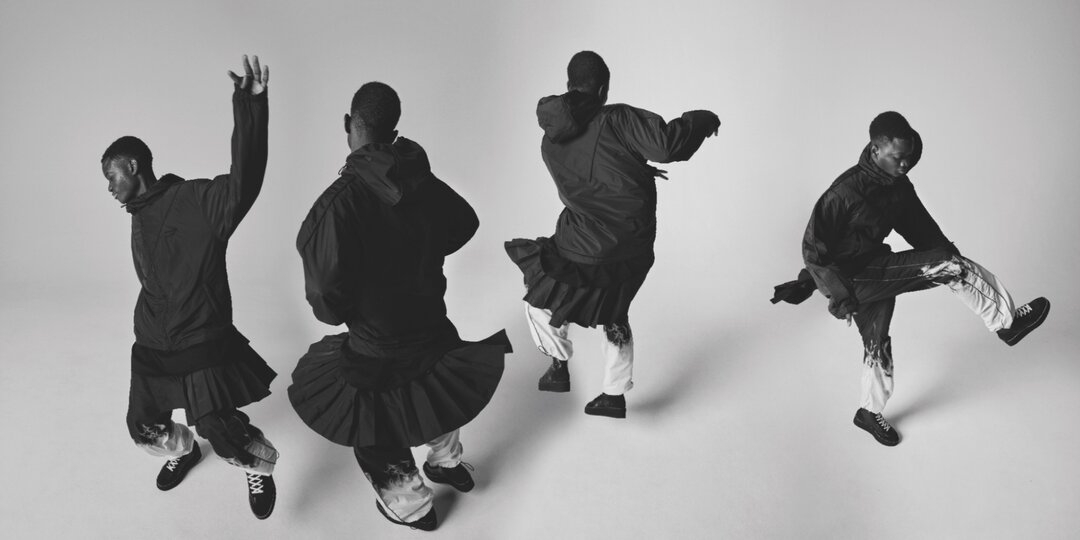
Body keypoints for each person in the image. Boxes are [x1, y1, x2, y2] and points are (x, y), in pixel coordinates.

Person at [288, 82, 511, 532]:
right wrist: (422, 251)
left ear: (349, 125)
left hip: (378, 344)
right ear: (393, 131)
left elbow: (326, 299)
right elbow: (463, 222)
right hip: (429, 322)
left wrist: (351, 307)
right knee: (435, 390)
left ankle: (413, 508)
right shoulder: (419, 178)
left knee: (374, 428)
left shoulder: (336, 205)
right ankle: (447, 462)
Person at [772, 111, 1050, 446]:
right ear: (876, 150)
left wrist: (947, 253)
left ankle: (868, 412)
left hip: (874, 267)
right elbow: (814, 250)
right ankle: (1006, 322)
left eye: (908, 157)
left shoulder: (899, 188)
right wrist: (839, 295)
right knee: (949, 267)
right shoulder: (844, 191)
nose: (904, 164)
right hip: (851, 279)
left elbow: (921, 229)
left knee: (877, 342)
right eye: (897, 157)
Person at [101, 55, 278, 518]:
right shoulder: (139, 214)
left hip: (199, 338)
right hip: (153, 339)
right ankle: (185, 450)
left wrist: (250, 107)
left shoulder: (195, 200)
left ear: (132, 166)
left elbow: (244, 182)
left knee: (221, 428)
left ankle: (256, 467)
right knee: (143, 426)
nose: (109, 188)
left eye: (112, 177)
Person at [505, 50, 720, 419]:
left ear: (569, 84)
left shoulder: (550, 139)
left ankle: (557, 365)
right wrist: (702, 119)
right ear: (604, 88)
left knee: (539, 295)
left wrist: (635, 168)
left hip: (579, 244)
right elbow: (669, 145)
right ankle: (613, 395)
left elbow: (589, 175)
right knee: (614, 312)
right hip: (630, 246)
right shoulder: (618, 119)